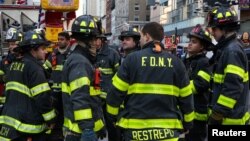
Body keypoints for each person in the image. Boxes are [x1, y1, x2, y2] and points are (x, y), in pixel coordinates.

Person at [106, 22, 194, 141]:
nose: (140, 41)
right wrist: (188, 124)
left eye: (141, 37)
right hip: (168, 134)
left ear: (147, 37)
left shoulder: (131, 60)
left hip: (135, 133)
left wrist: (112, 117)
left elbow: (115, 93)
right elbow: (187, 98)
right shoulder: (177, 63)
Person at [0, 30, 56, 140]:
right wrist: (51, 119)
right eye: (43, 48)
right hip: (27, 127)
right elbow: (42, 97)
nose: (45, 52)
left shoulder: (13, 65)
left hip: (9, 124)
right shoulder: (34, 68)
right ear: (33, 49)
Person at [61, 15, 105, 141]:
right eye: (95, 39)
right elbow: (80, 98)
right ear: (88, 40)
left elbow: (91, 97)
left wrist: (99, 124)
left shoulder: (82, 59)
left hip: (81, 129)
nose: (97, 43)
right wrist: (87, 129)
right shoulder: (80, 62)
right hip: (79, 133)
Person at [206, 4, 250, 125]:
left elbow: (232, 88)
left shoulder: (232, 51)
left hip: (230, 122)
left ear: (224, 29)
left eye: (214, 29)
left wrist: (217, 115)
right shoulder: (226, 49)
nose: (212, 33)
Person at [183, 24, 213, 141]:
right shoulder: (188, 61)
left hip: (198, 115)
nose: (189, 43)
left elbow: (201, 84)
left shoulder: (204, 62)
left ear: (202, 47)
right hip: (188, 112)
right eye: (190, 41)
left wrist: (181, 88)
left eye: (194, 42)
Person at [44, 31, 71, 141]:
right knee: (55, 116)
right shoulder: (53, 55)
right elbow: (45, 70)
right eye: (58, 39)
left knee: (67, 116)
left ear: (68, 41)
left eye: (62, 39)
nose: (59, 41)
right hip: (54, 93)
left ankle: (66, 135)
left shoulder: (72, 55)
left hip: (67, 93)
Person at [95, 30, 121, 141]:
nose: (95, 42)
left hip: (109, 99)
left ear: (102, 40)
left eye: (97, 39)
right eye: (93, 39)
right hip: (95, 98)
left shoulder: (112, 54)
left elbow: (119, 75)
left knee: (112, 127)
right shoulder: (90, 54)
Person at [0, 27, 23, 113]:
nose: (10, 47)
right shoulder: (4, 61)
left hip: (22, 102)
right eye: (9, 44)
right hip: (6, 102)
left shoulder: (26, 61)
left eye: (13, 44)